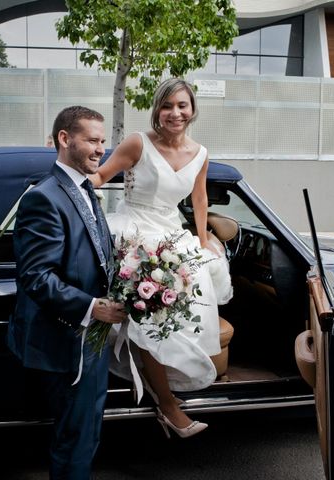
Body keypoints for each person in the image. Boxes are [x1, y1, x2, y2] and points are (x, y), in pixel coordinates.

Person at [90, 78, 233, 439]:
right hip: (134, 229)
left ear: (192, 109)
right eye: (167, 106)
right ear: (158, 110)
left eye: (182, 105)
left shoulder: (200, 153)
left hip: (171, 232)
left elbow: (199, 200)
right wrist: (67, 184)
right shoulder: (139, 142)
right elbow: (101, 177)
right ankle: (166, 402)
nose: (175, 113)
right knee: (150, 313)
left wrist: (203, 241)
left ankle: (165, 387)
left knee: (191, 292)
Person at [8, 105, 127, 479]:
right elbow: (37, 276)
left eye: (103, 142)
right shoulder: (44, 197)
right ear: (65, 139)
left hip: (90, 338)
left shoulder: (83, 190)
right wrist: (94, 307)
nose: (100, 150)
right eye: (92, 140)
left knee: (85, 431)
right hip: (66, 340)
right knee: (75, 437)